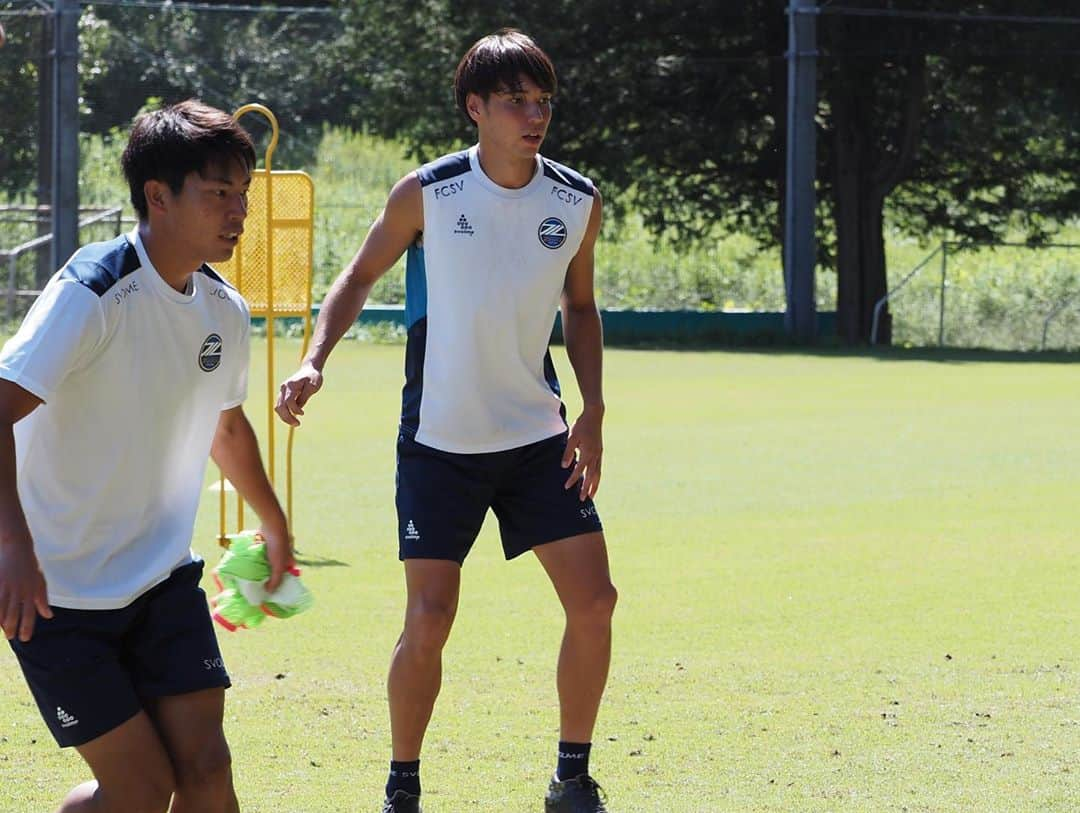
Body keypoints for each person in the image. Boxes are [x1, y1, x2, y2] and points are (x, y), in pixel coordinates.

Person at [276, 28, 616, 813]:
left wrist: (593, 410)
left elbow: (582, 305)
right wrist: (314, 357)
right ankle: (403, 784)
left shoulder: (576, 199)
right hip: (440, 444)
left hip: (538, 437)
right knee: (429, 619)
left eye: (543, 101)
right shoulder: (428, 191)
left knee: (595, 601)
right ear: (475, 108)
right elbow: (357, 276)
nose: (534, 115)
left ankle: (571, 775)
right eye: (515, 101)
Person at [0, 99, 293, 813]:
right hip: (56, 594)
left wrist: (275, 523)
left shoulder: (224, 307)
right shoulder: (93, 291)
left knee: (207, 770)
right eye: (218, 193)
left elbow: (227, 427)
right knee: (136, 791)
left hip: (161, 579)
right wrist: (11, 542)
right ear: (158, 196)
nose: (238, 212)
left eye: (243, 194)